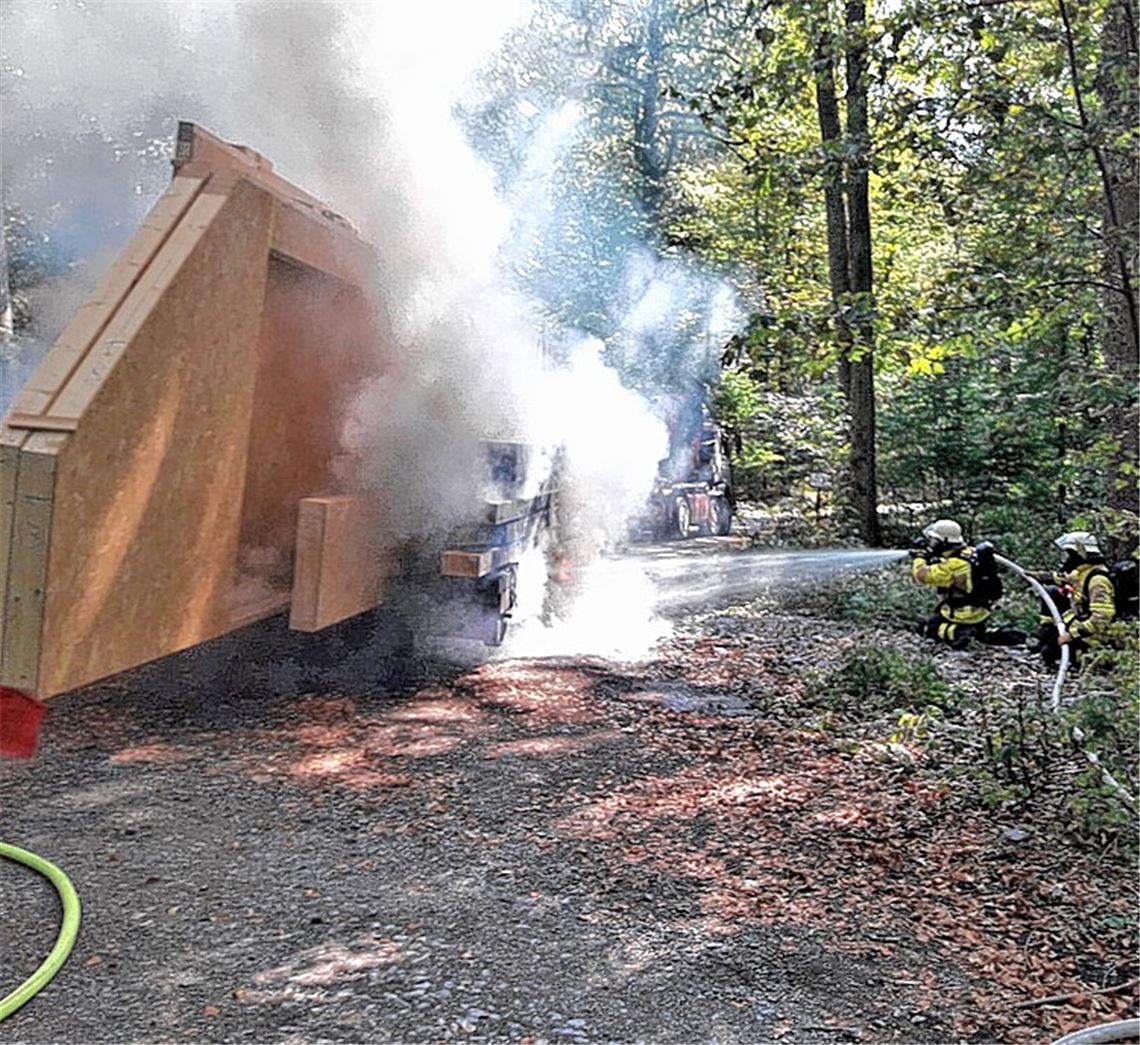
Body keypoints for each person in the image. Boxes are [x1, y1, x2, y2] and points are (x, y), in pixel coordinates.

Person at [1034, 531, 1116, 668]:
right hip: (1079, 627)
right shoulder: (1082, 572)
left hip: (1095, 638)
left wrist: (1072, 635)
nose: (1067, 559)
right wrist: (1038, 576)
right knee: (1048, 646)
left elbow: (1102, 618)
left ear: (1080, 554)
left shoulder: (1098, 581)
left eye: (1070, 554)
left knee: (1055, 652)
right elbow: (1063, 579)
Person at [911, 519, 996, 649]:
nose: (931, 544)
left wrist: (920, 557)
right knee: (929, 622)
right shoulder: (968, 554)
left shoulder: (954, 565)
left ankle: (962, 633)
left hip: (960, 614)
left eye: (933, 541)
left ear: (942, 542)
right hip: (979, 611)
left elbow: (922, 576)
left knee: (927, 629)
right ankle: (973, 630)